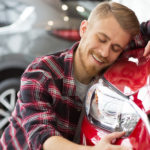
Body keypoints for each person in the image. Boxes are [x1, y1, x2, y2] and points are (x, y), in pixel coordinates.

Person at [0, 1, 150, 150]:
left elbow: (145, 29)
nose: (105, 52)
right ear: (84, 29)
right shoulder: (41, 74)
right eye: (101, 39)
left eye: (115, 48)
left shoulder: (114, 56)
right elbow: (43, 138)